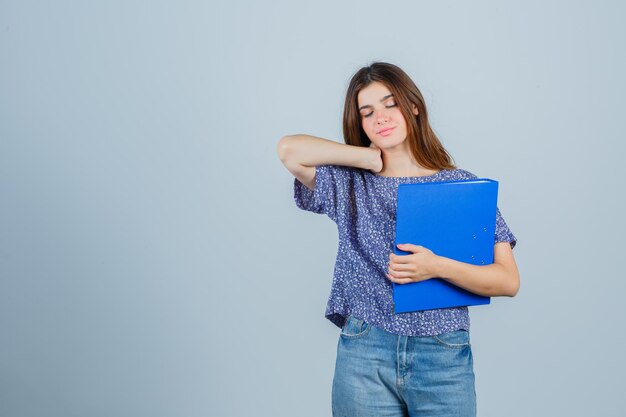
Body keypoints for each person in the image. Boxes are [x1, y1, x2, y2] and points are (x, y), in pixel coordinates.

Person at [276, 61, 520, 417]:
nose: (381, 118)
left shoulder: (462, 187)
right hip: (366, 349)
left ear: (414, 107)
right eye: (367, 112)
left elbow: (508, 281)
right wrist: (367, 158)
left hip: (442, 353)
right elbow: (288, 150)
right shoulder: (351, 183)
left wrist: (435, 266)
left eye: (391, 104)